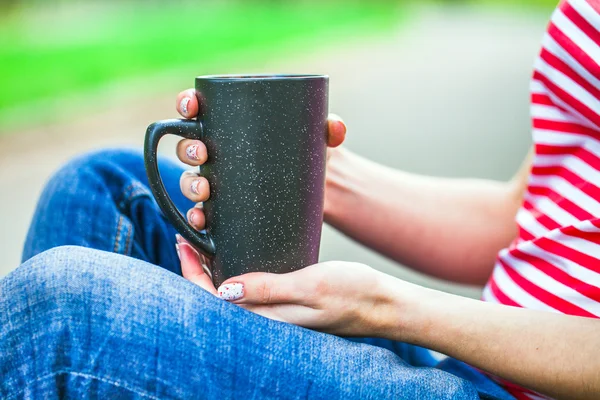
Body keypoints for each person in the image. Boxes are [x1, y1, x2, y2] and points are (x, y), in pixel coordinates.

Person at [2, 0, 600, 398]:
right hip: (475, 357)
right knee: (102, 185)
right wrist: (306, 176)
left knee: (60, 312)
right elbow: (521, 219)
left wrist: (382, 306)